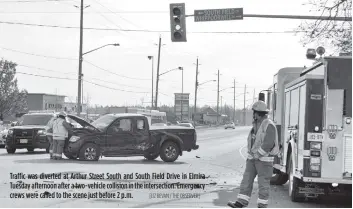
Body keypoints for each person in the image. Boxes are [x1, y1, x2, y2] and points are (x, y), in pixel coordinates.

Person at [228, 100, 279, 208]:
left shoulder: (269, 125)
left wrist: (258, 155)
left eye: (254, 112)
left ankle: (262, 206)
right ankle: (241, 202)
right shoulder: (256, 125)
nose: (253, 115)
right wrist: (252, 155)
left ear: (258, 113)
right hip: (253, 159)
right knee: (246, 180)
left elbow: (268, 144)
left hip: (264, 161)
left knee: (263, 184)